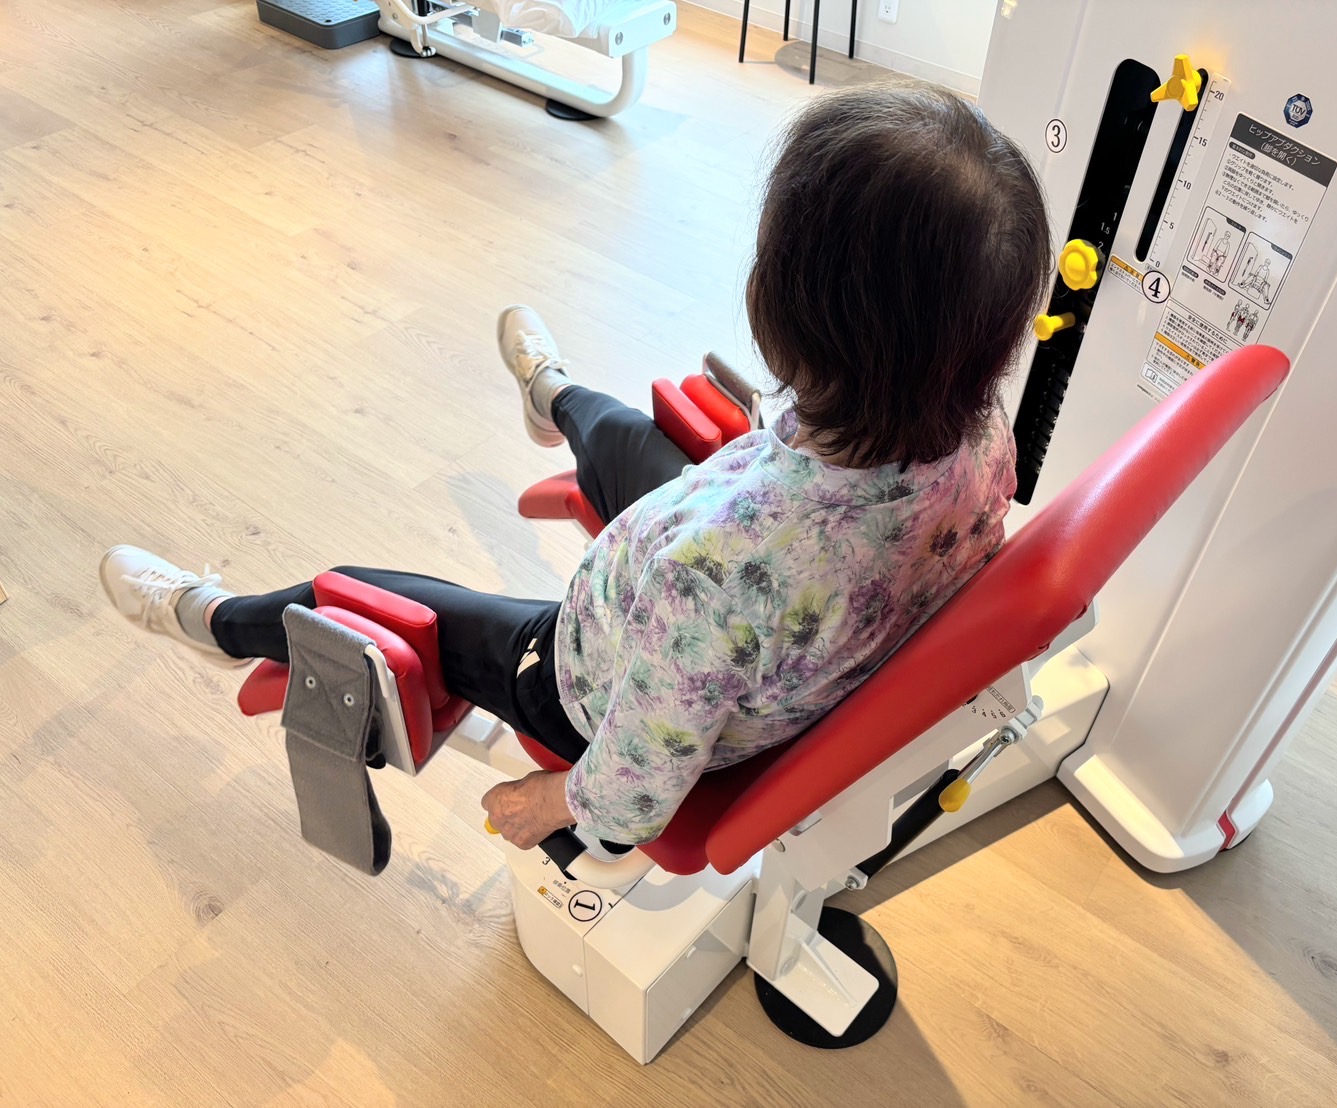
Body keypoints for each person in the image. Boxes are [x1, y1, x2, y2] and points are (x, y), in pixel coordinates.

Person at [100, 81, 1052, 853]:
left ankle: (213, 621)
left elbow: (636, 789)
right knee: (625, 435)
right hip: (775, 565)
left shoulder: (711, 572)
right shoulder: (979, 433)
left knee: (352, 590)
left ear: (787, 313)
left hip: (580, 674)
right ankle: (551, 394)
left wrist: (553, 802)